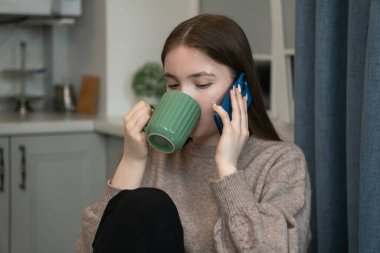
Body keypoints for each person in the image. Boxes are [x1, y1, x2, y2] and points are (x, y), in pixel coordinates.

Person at [77, 14, 311, 253]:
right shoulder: (155, 155)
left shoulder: (281, 162)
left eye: (201, 84)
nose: (184, 96)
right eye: (173, 85)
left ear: (239, 89)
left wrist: (228, 170)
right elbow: (91, 248)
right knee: (146, 204)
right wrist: (132, 161)